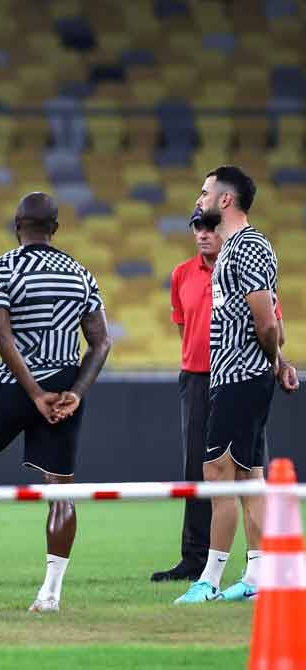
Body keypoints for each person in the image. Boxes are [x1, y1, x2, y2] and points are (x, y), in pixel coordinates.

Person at [0, 192, 112, 613]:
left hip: (20, 381)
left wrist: (32, 392)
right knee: (59, 489)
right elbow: (101, 342)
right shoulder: (81, 274)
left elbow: (1, 334)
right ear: (55, 229)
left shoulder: (3, 267)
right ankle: (50, 594)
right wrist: (75, 394)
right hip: (65, 384)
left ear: (16, 226)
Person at [175, 166, 298, 604]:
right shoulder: (231, 249)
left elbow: (267, 321)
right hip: (237, 377)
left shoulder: (249, 248)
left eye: (205, 191)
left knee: (219, 475)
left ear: (224, 200)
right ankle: (258, 576)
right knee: (249, 478)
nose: (199, 197)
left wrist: (271, 360)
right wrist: (278, 363)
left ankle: (208, 580)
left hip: (239, 379)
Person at [151, 207, 292, 583]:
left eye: (211, 226)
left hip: (240, 377)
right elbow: (186, 328)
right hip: (198, 378)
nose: (203, 233)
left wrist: (279, 362)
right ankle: (195, 559)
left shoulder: (244, 265)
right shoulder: (181, 274)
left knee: (249, 467)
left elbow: (272, 323)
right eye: (197, 226)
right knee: (200, 467)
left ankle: (254, 561)